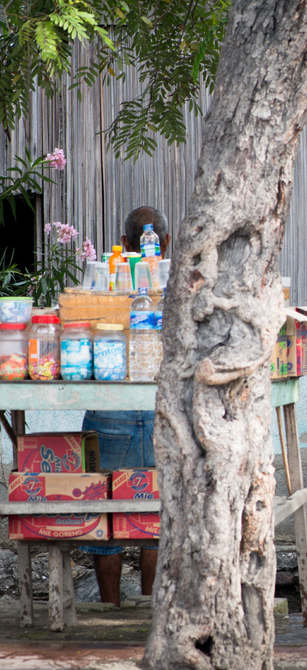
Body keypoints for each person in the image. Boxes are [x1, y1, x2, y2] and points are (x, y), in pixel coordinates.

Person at [80, 206, 170, 605]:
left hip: (110, 407)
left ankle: (109, 608)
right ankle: (151, 607)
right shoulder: (180, 284)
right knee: (155, 511)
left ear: (124, 244)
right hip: (160, 408)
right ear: (165, 242)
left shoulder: (107, 282)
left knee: (105, 511)